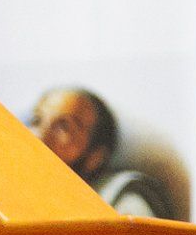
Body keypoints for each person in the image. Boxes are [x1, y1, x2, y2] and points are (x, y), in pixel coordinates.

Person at [28, 85, 180, 219]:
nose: (38, 136)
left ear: (95, 157)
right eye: (36, 120)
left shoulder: (125, 202)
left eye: (64, 126)